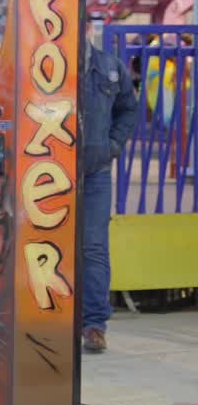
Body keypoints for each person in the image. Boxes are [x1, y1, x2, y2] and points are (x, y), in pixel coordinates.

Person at [81, 18, 139, 354]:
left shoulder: (111, 67)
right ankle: (45, 319)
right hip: (46, 171)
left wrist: (112, 145)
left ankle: (93, 325)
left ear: (89, 29)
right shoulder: (44, 65)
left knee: (93, 248)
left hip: (95, 172)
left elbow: (128, 110)